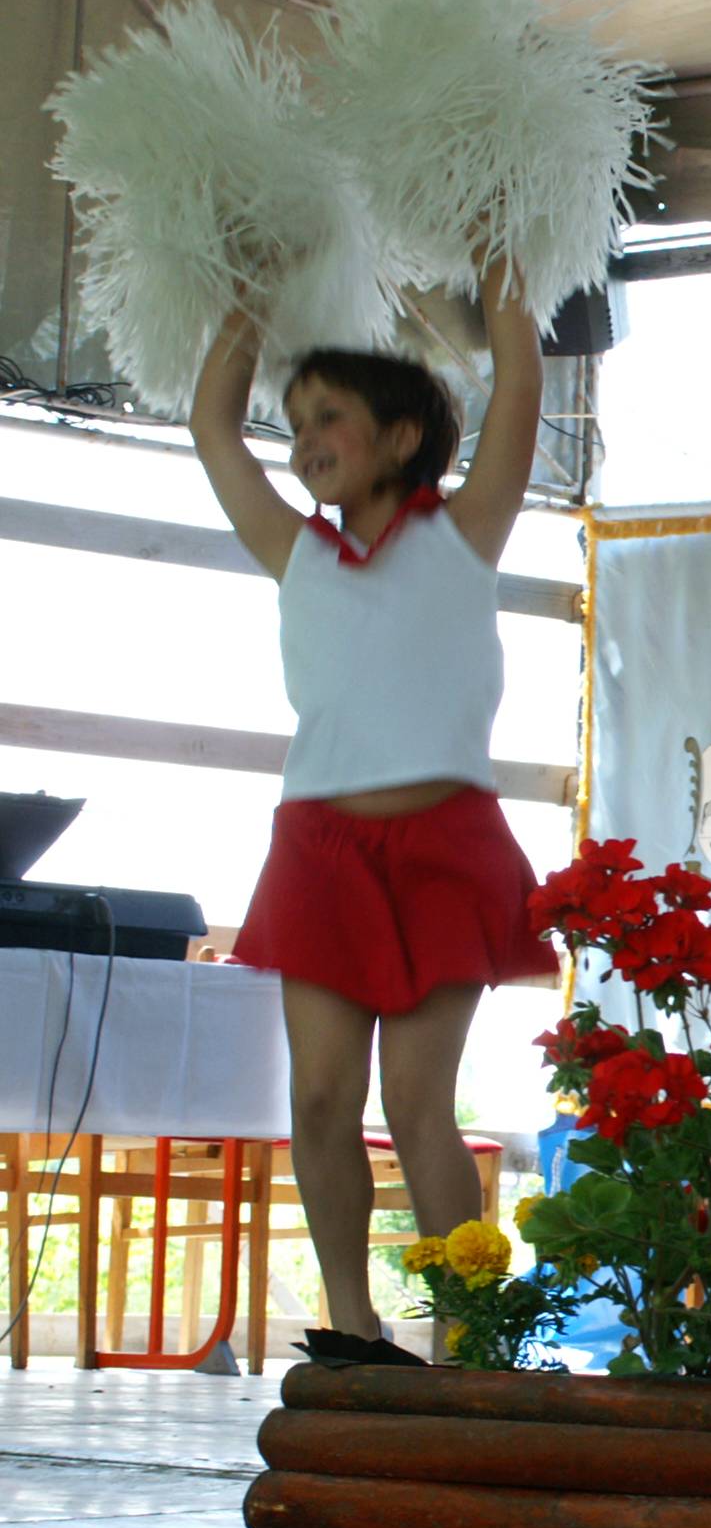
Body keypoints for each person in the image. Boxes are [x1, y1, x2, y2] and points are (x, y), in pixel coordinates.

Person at [196, 248, 553, 1361]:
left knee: (416, 1099)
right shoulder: (294, 550)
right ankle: (352, 1327)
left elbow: (523, 388)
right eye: (296, 421)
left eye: (329, 416)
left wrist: (503, 268)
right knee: (318, 1098)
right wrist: (248, 291)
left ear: (402, 436)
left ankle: (465, 1332)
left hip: (445, 843)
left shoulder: (463, 531)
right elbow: (214, 427)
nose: (305, 440)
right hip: (320, 850)